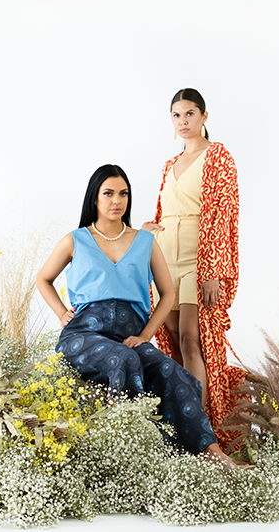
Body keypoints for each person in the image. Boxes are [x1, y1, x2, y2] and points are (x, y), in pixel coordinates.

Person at [36, 164, 239, 465]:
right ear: (95, 198)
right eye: (108, 194)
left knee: (177, 374)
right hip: (84, 334)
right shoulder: (75, 240)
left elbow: (167, 293)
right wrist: (62, 313)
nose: (116, 200)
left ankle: (212, 456)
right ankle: (133, 458)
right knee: (125, 360)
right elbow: (43, 279)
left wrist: (146, 336)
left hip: (130, 336)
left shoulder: (144, 241)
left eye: (123, 194)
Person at [141, 88, 246, 449]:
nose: (183, 121)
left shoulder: (218, 157)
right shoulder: (169, 165)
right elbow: (162, 209)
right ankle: (180, 417)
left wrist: (214, 268)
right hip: (166, 257)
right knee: (170, 342)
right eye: (176, 115)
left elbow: (222, 213)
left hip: (199, 257)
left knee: (191, 340)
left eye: (189, 114)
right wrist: (149, 227)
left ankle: (199, 432)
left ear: (204, 117)